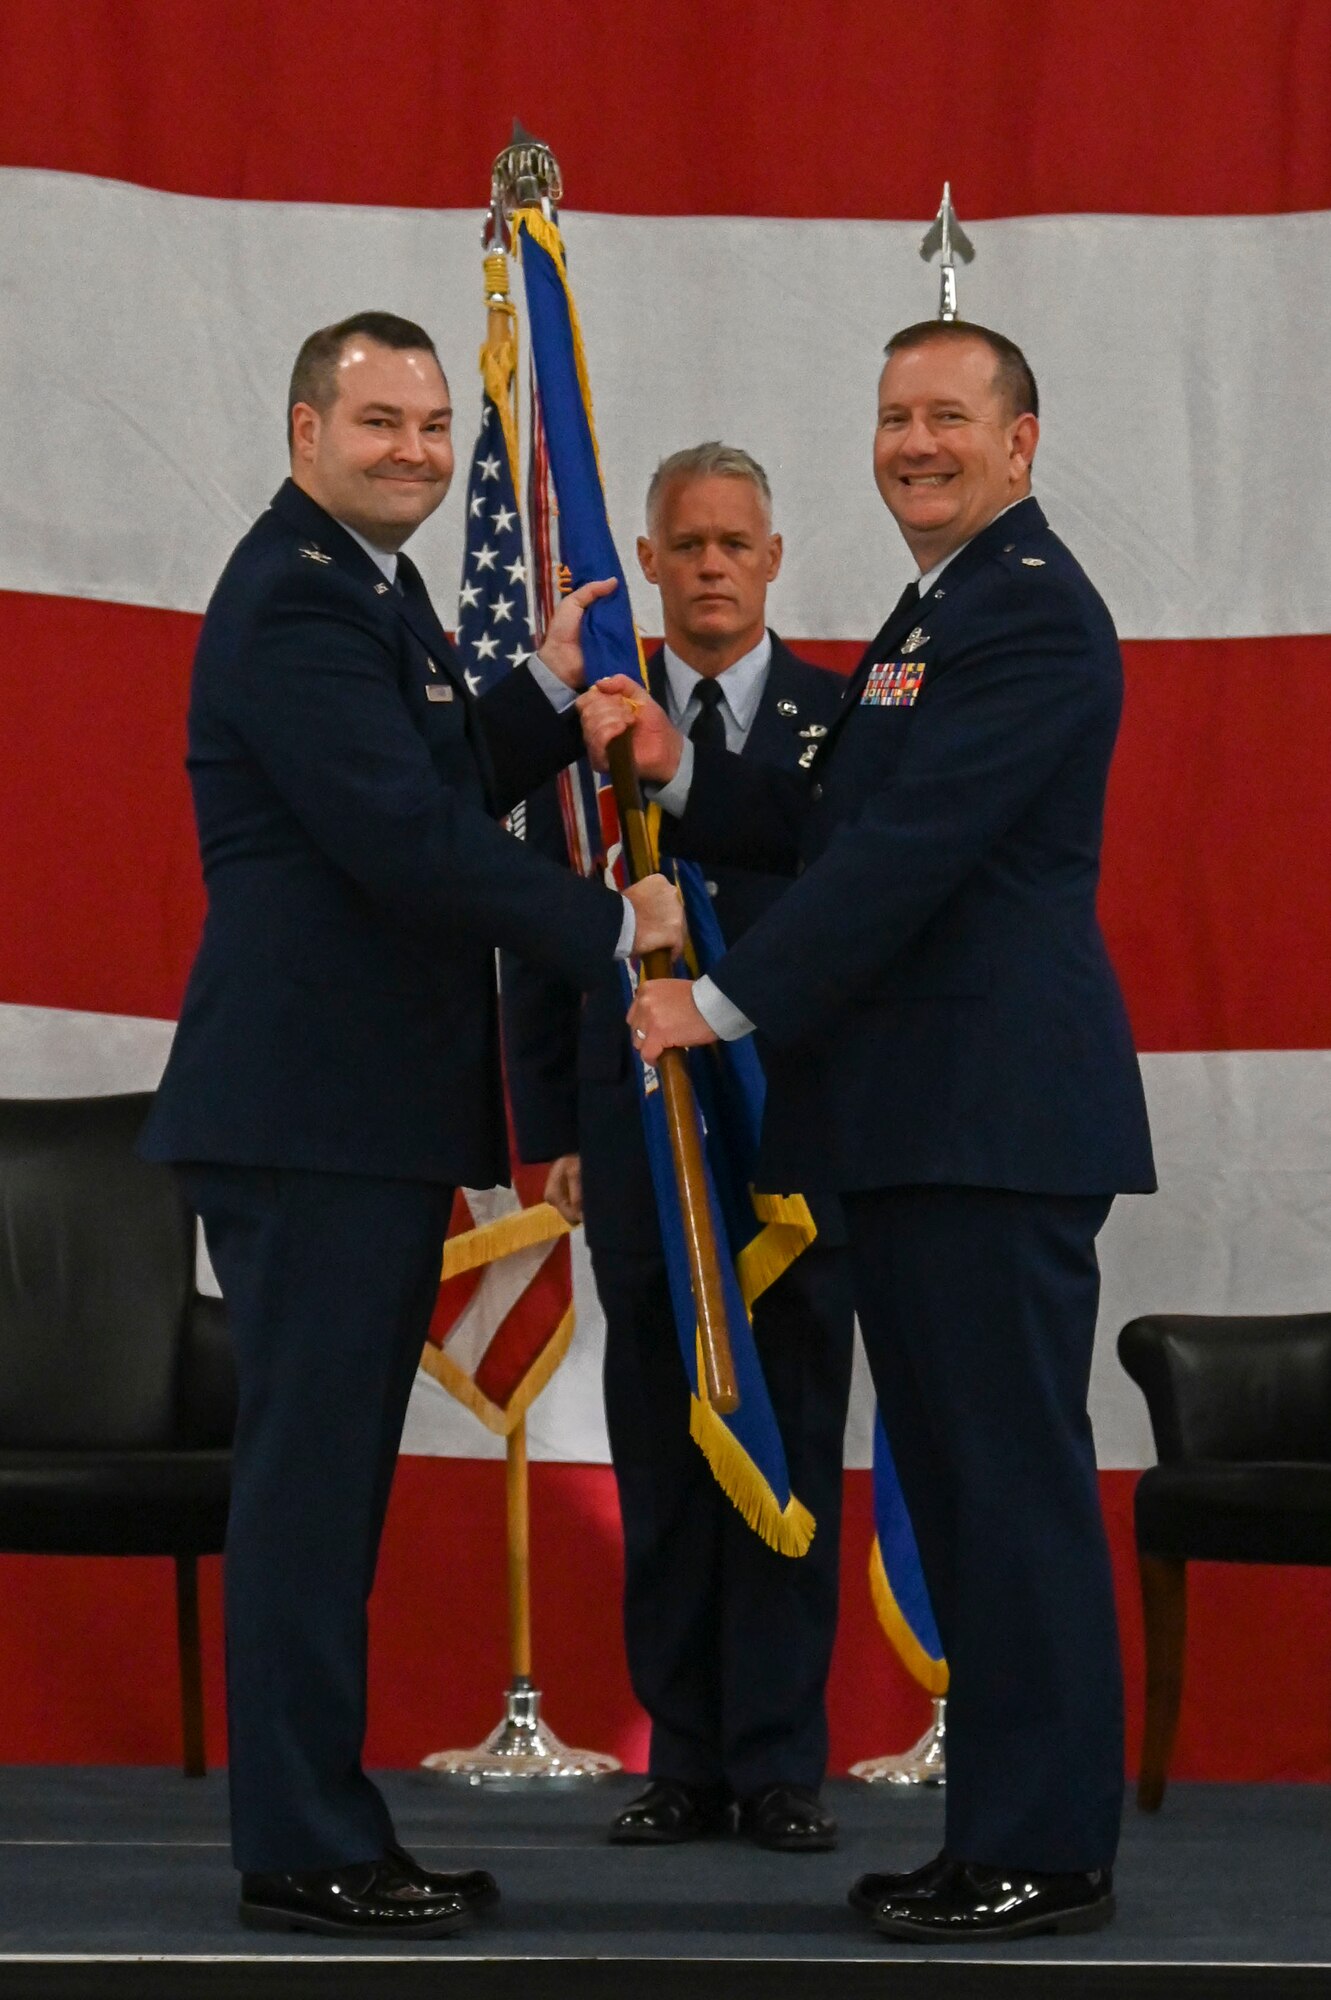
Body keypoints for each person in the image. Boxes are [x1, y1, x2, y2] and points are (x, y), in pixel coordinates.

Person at [581, 323, 1156, 1944]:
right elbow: (828, 813)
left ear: (1024, 441)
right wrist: (679, 770)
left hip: (992, 1122)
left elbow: (905, 857)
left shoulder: (1030, 611)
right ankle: (1002, 1836)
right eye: (896, 416)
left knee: (1012, 1492)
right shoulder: (938, 611)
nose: (916, 442)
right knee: (972, 1490)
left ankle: (1044, 1849)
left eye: (951, 417)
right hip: (922, 1126)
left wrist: (724, 1000)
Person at [139, 311, 682, 1939]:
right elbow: (401, 841)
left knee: (327, 1492)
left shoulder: (361, 588)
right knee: (308, 1498)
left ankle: (320, 1824)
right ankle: (305, 1845)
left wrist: (533, 693)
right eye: (382, 423)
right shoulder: (298, 600)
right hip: (315, 1113)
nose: (421, 454)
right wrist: (612, 930)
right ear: (304, 429)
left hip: (342, 1112)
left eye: (439, 428)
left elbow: (430, 769)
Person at [503, 445, 855, 1853]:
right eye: (685, 544)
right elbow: (536, 933)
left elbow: (863, 923)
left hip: (796, 1146)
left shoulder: (843, 727)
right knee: (659, 1448)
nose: (711, 566)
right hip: (635, 1136)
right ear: (643, 563)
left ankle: (778, 1764)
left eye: (735, 543)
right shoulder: (595, 727)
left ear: (775, 558)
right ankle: (686, 1757)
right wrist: (553, 1130)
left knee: (793, 1444)